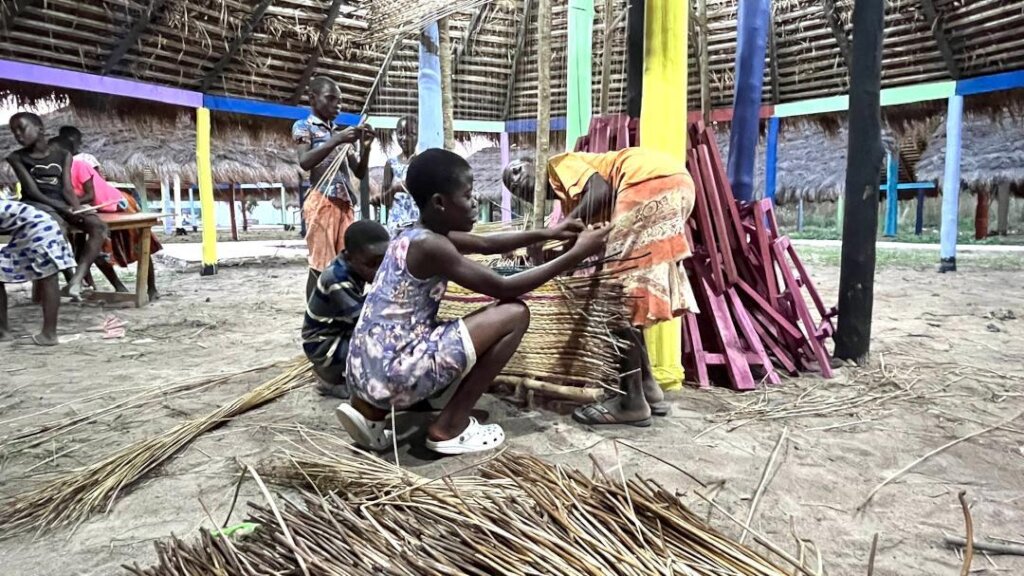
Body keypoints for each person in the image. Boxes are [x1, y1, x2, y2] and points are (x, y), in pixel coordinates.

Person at [339, 149, 610, 455]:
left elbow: (485, 243)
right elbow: (504, 287)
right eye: (467, 195)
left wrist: (550, 232)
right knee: (514, 313)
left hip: (364, 372)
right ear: (440, 202)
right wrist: (576, 254)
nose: (475, 201)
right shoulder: (432, 246)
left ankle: (374, 414)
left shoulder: (411, 235)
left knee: (430, 330)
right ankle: (449, 427)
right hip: (393, 375)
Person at [503, 148, 696, 426]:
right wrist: (548, 265)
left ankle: (631, 402)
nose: (515, 183)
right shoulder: (573, 198)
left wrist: (559, 229)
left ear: (536, 163)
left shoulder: (559, 164)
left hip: (647, 182)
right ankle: (647, 388)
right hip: (673, 183)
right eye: (511, 186)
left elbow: (600, 189)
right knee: (628, 292)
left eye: (516, 171)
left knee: (617, 295)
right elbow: (576, 250)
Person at [6, 112, 108, 300]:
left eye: (22, 128)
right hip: (36, 205)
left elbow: (67, 188)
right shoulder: (16, 157)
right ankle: (67, 277)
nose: (18, 135)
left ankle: (76, 280)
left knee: (99, 227)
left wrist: (77, 208)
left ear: (40, 129)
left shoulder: (63, 155)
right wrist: (64, 209)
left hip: (61, 203)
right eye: (14, 132)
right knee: (56, 229)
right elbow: (32, 191)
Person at [294, 76, 375, 301]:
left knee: (347, 261)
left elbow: (359, 172)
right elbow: (305, 162)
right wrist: (336, 140)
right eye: (330, 99)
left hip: (344, 204)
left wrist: (366, 148)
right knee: (320, 265)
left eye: (339, 101)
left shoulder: (340, 133)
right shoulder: (304, 127)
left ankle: (342, 307)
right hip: (322, 200)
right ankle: (313, 314)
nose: (337, 105)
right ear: (312, 98)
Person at [51, 136, 161, 300]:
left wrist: (69, 203)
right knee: (95, 250)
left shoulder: (81, 164)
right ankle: (118, 287)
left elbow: (90, 194)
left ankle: (151, 288)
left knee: (138, 244)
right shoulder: (55, 173)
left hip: (117, 204)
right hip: (93, 212)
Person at [302, 220, 390, 399]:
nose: (378, 271)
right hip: (322, 344)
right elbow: (365, 321)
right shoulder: (336, 279)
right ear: (350, 257)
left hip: (339, 329)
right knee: (380, 344)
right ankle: (329, 378)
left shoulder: (352, 267)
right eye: (371, 264)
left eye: (383, 263)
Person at [1, 200, 77, 345]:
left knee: (48, 276)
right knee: (48, 277)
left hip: (39, 230)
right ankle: (3, 331)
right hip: (36, 228)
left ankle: (49, 335)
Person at [382, 115, 419, 236]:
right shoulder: (391, 164)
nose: (405, 138)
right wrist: (395, 189)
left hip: (418, 224)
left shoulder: (423, 162)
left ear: (418, 135)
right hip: (396, 225)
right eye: (401, 133)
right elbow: (384, 201)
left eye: (411, 134)